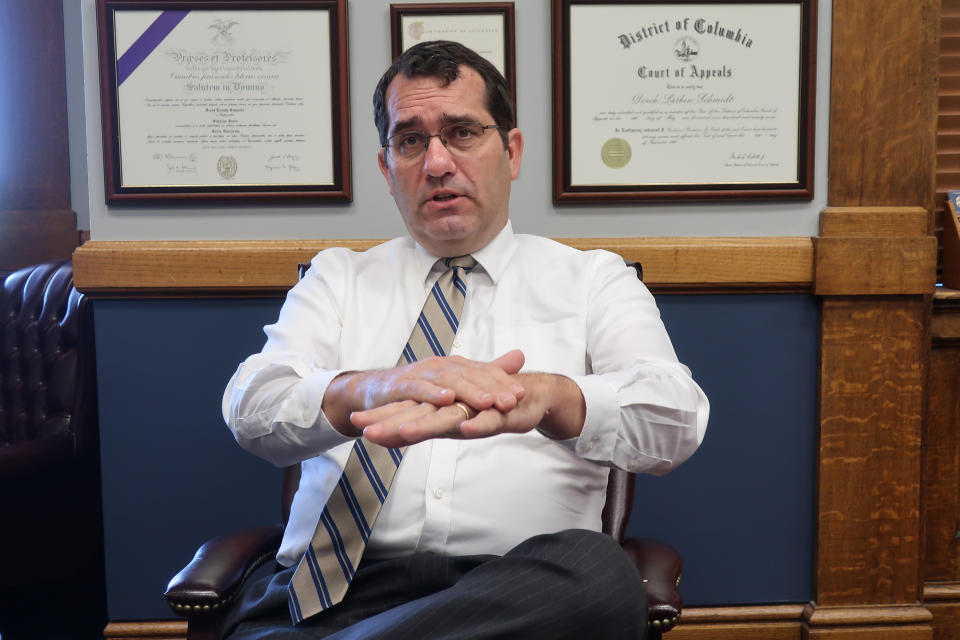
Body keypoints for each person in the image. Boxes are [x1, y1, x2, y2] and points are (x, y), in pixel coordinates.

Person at [220, 40, 709, 640]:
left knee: (599, 574)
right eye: (411, 141)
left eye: (462, 133)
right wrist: (368, 389)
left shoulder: (592, 280)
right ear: (386, 167)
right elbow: (252, 407)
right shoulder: (337, 277)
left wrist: (555, 399)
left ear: (512, 150)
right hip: (330, 596)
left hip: (519, 593)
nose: (437, 163)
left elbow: (676, 421)